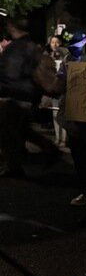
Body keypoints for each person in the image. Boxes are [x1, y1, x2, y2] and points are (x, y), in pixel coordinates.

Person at [0, 15, 60, 178]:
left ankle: (47, 150)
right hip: (26, 94)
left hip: (15, 95)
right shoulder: (31, 45)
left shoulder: (17, 48)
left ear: (12, 27)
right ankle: (15, 165)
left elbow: (11, 73)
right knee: (17, 130)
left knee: (13, 130)